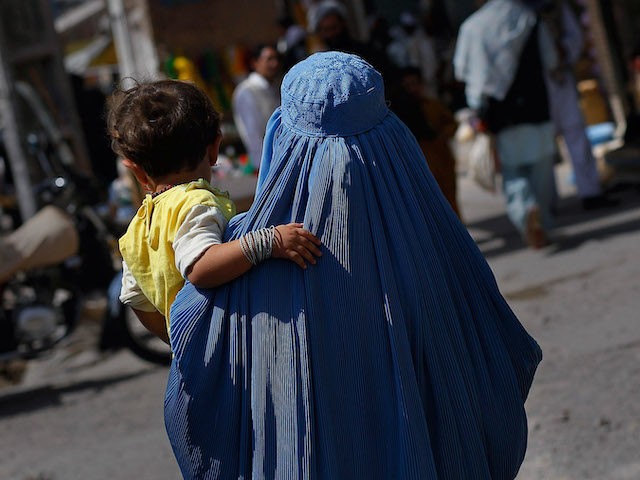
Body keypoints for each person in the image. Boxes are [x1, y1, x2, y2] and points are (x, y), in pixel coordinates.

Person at [164, 51, 542, 479]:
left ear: (281, 137)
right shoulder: (436, 240)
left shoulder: (240, 255)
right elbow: (501, 353)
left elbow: (191, 386)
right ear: (393, 136)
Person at [106, 79, 321, 344]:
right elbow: (200, 266)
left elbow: (136, 299)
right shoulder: (195, 203)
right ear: (214, 147)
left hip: (199, 357)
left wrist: (179, 343)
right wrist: (269, 241)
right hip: (230, 348)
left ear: (135, 170)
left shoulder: (138, 228)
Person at [454, 0, 559, 249]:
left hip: (500, 113)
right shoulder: (529, 18)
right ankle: (541, 217)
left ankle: (525, 209)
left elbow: (463, 70)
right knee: (541, 170)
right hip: (536, 104)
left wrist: (476, 105)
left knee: (513, 171)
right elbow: (551, 58)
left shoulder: (473, 26)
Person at [539, 0, 619, 210]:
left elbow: (574, 37)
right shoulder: (515, 12)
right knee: (542, 146)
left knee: (576, 134)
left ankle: (590, 192)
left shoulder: (554, 7)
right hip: (534, 88)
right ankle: (547, 203)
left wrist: (563, 52)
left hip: (561, 80)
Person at [391, 66, 461, 217]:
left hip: (442, 160)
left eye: (414, 83)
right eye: (407, 85)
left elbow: (451, 123)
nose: (412, 89)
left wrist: (442, 135)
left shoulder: (432, 105)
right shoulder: (399, 112)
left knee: (451, 203)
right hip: (420, 164)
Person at [232, 44, 282, 171]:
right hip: (267, 165)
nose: (274, 64)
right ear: (255, 63)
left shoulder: (274, 88)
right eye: (269, 59)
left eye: (276, 59)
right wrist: (262, 166)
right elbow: (252, 134)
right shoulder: (247, 91)